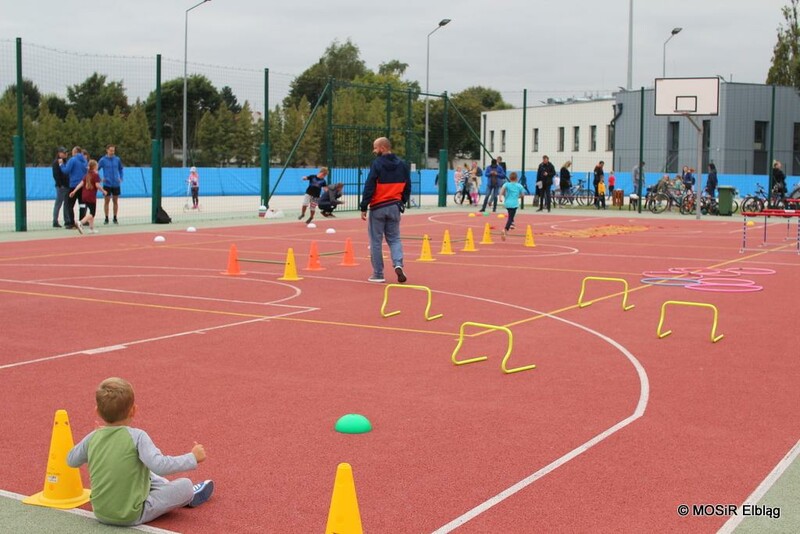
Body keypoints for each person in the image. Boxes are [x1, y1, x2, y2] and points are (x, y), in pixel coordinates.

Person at [67, 377, 214, 527]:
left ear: (97, 412)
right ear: (134, 410)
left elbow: (71, 460)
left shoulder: (93, 437)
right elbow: (160, 466)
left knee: (144, 471)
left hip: (100, 512)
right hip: (131, 514)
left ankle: (164, 489)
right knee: (186, 485)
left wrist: (95, 438)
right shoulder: (137, 436)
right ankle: (186, 496)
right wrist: (192, 457)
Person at [360, 137, 411, 284]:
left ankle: (378, 274)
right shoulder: (402, 164)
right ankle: (398, 264)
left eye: (375, 148)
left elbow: (370, 185)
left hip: (378, 207)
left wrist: (364, 206)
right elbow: (407, 186)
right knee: (394, 239)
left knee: (376, 241)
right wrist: (402, 202)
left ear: (382, 148)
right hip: (394, 206)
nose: (373, 151)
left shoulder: (377, 164)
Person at [69, 159, 107, 234]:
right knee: (92, 213)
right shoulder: (95, 175)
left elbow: (81, 184)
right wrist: (103, 191)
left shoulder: (87, 175)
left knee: (91, 212)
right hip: (91, 196)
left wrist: (74, 191)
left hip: (84, 196)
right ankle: (81, 222)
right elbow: (97, 185)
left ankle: (91, 228)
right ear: (95, 167)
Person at [61, 146, 88, 230]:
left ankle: (71, 223)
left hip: (74, 185)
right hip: (83, 185)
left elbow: (66, 171)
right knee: (82, 205)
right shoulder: (85, 160)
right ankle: (81, 222)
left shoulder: (73, 160)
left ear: (75, 152)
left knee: (69, 205)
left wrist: (61, 165)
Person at [98, 144, 124, 224]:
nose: (112, 152)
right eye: (111, 150)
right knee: (107, 201)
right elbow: (96, 169)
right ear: (107, 150)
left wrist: (121, 178)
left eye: (113, 150)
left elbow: (121, 169)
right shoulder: (103, 160)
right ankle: (106, 218)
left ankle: (115, 217)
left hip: (116, 184)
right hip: (107, 184)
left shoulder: (117, 159)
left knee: (115, 201)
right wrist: (100, 179)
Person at [500, 172, 525, 240]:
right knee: (510, 217)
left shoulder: (507, 184)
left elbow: (502, 190)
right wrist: (518, 196)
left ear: (510, 178)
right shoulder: (519, 186)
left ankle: (512, 224)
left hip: (507, 203)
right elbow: (522, 195)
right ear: (516, 178)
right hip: (514, 204)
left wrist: (500, 197)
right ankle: (505, 229)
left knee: (510, 215)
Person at [52, 146, 70, 228]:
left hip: (67, 185)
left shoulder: (66, 162)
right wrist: (60, 185)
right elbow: (56, 175)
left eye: (66, 152)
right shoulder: (56, 162)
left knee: (67, 204)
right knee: (58, 203)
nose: (66, 154)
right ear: (59, 153)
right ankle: (55, 221)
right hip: (61, 186)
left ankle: (67, 220)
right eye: (64, 152)